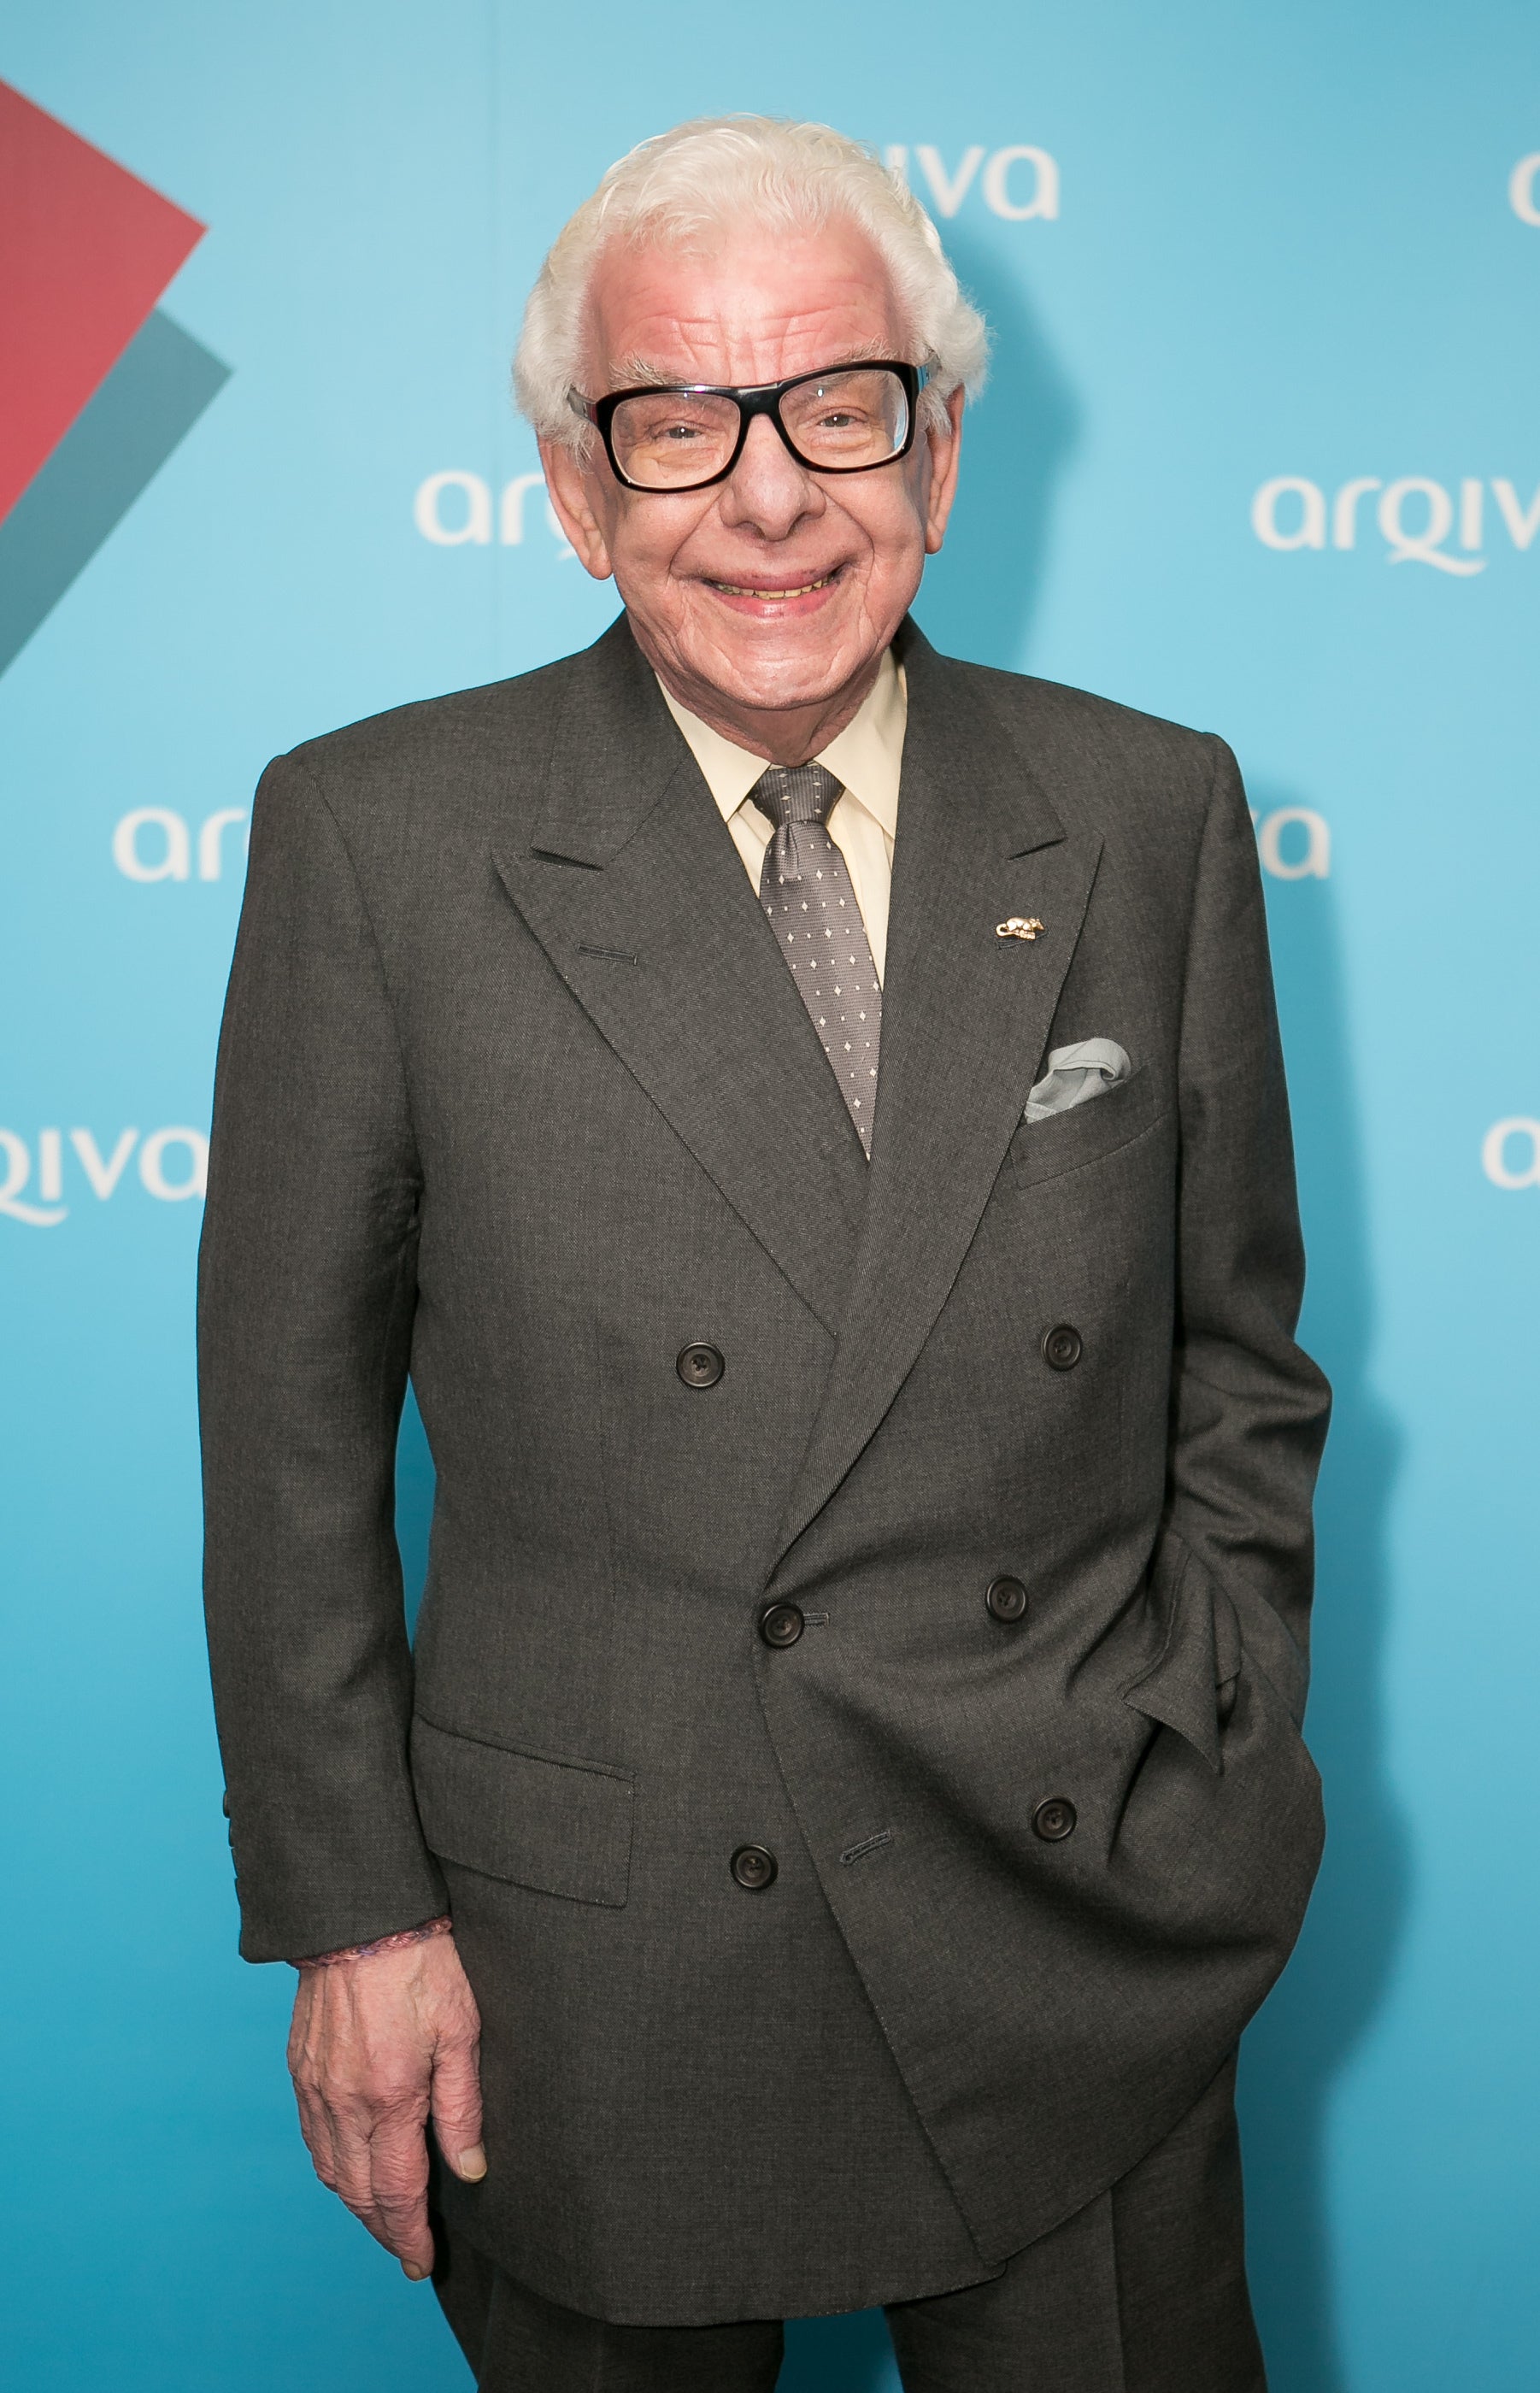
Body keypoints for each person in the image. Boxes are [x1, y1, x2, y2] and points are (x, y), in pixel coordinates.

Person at [199, 115, 1331, 2393]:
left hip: (1068, 1911)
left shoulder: (1143, 810)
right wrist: (355, 1915)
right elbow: (289, 1436)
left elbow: (1238, 1361)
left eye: (838, 405)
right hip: (598, 1958)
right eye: (675, 421)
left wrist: (1196, 1759)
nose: (769, 495)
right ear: (570, 486)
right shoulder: (381, 836)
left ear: (935, 447)